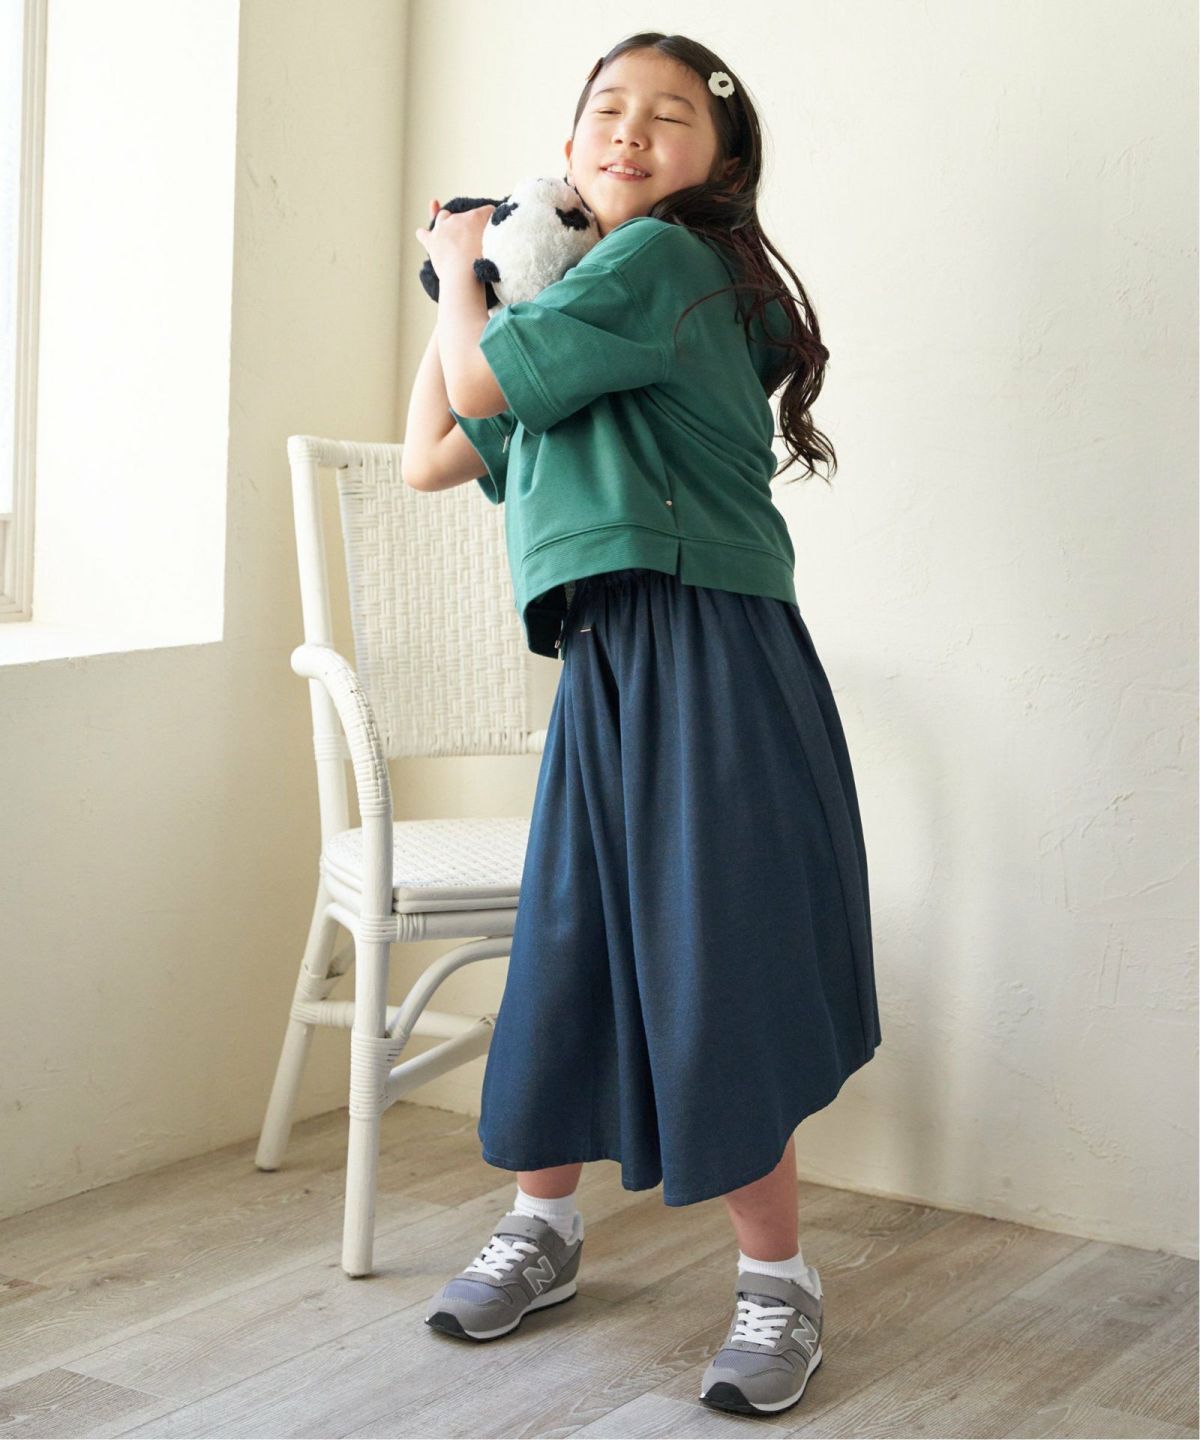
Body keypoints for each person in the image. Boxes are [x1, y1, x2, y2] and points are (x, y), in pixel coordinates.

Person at [404, 32, 882, 1417]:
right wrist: (463, 283)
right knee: (572, 947)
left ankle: (780, 1285)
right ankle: (543, 1226)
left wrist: (465, 280)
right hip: (612, 660)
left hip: (710, 652)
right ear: (566, 155)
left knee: (714, 966)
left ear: (719, 163)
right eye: (605, 109)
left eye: (670, 115)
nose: (630, 129)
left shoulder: (667, 265)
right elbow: (432, 452)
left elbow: (476, 388)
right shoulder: (575, 330)